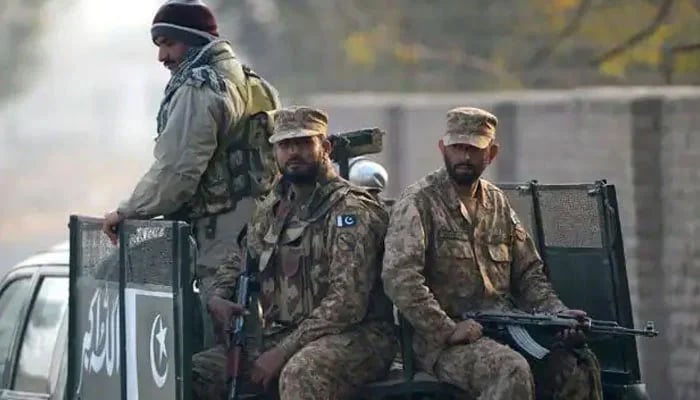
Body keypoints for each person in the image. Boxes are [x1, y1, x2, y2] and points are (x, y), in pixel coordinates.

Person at [381, 107, 602, 400]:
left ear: (491, 153)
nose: (465, 157)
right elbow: (400, 278)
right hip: (441, 344)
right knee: (509, 370)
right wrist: (447, 329)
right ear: (442, 148)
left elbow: (529, 274)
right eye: (458, 148)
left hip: (505, 329)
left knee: (577, 365)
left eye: (474, 149)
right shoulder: (419, 203)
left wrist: (557, 315)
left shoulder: (496, 203)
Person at [100, 0, 280, 347]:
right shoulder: (250, 81)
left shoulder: (201, 87)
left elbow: (177, 172)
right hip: (257, 221)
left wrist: (126, 211)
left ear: (195, 40)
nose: (162, 57)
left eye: (169, 44)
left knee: (225, 338)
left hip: (221, 231)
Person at [192, 106, 398, 399]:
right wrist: (218, 297)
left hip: (359, 336)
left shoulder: (350, 211)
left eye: (303, 143)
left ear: (324, 147)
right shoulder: (272, 209)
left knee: (301, 374)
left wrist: (281, 352)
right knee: (197, 374)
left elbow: (346, 304)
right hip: (286, 334)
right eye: (285, 145)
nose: (293, 153)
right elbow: (239, 258)